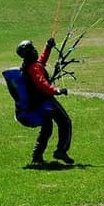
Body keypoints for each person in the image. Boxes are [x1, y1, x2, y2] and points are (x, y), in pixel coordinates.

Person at [17, 37, 73, 165]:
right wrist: (57, 90)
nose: (35, 51)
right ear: (28, 53)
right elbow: (42, 84)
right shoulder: (33, 68)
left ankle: (36, 157)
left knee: (47, 128)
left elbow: (41, 62)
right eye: (33, 49)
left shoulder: (29, 65)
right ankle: (61, 150)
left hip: (37, 103)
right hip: (45, 101)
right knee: (65, 121)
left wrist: (48, 47)